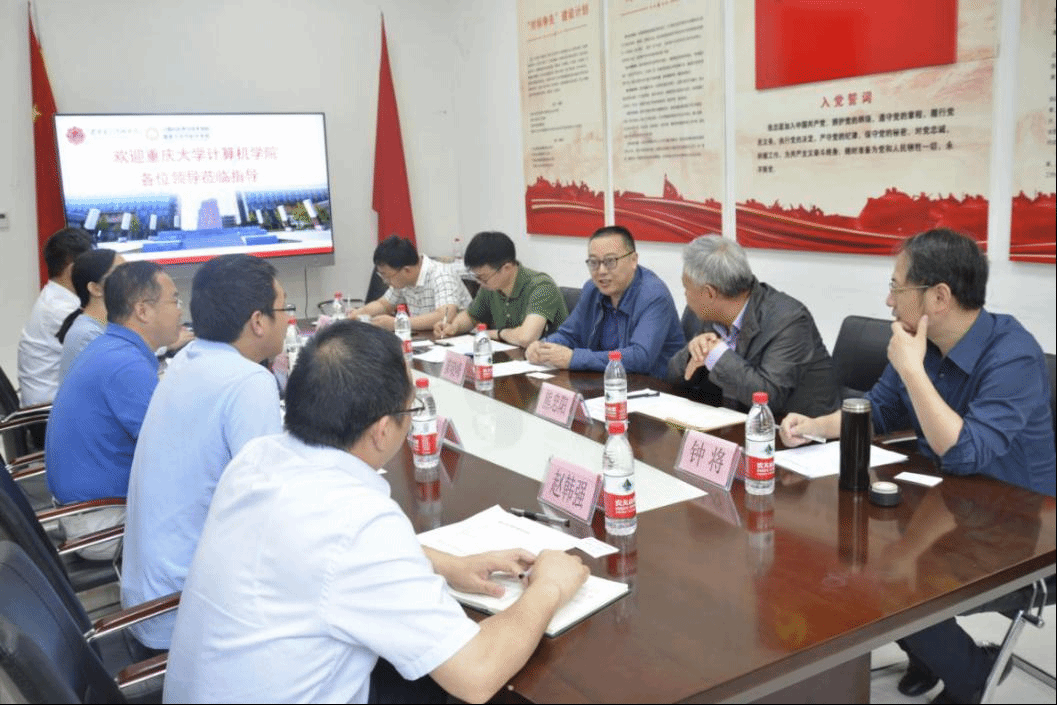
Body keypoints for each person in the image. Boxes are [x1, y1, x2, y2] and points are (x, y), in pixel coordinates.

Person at [164, 321, 589, 703]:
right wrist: (549, 587)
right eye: (411, 410)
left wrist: (449, 565)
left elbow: (320, 556)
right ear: (382, 430)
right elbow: (476, 674)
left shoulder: (257, 458)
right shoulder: (359, 520)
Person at [780, 228, 1056, 704]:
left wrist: (911, 369)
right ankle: (935, 657)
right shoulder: (920, 341)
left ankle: (970, 675)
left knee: (888, 573)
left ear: (939, 297)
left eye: (897, 287)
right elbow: (881, 410)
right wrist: (815, 426)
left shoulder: (1013, 355)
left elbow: (964, 452)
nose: (889, 301)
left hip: (1018, 532)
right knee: (849, 553)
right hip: (947, 505)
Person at [121, 254, 290, 654]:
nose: (288, 320)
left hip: (148, 597)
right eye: (284, 309)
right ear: (258, 321)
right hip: (185, 614)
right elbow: (272, 512)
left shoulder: (188, 359)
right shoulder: (248, 381)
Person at [44, 261, 184, 559]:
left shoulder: (111, 347)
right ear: (143, 311)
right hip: (103, 524)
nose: (180, 311)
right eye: (174, 301)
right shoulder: (125, 365)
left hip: (88, 511)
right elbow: (173, 454)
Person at [665, 235, 840, 417]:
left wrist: (717, 354)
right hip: (732, 423)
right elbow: (671, 378)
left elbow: (768, 397)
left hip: (796, 429)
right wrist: (692, 352)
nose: (685, 294)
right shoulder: (707, 315)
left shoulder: (789, 321)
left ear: (709, 293)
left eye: (686, 288)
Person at [526, 225, 684, 378]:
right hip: (606, 382)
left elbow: (639, 357)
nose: (601, 271)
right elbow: (570, 335)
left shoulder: (654, 295)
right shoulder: (592, 289)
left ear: (633, 260)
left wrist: (574, 358)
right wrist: (542, 346)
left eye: (610, 261)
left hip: (654, 386)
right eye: (594, 262)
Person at [433, 231, 567, 347]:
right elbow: (472, 316)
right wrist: (454, 327)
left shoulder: (541, 286)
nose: (480, 283)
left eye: (483, 278)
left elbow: (526, 338)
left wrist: (497, 333)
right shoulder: (490, 286)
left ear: (506, 268)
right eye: (476, 278)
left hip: (546, 362)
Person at [16, 227, 93, 407]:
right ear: (73, 269)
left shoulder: (54, 297)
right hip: (48, 412)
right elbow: (108, 350)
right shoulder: (62, 310)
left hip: (50, 403)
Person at [347, 235, 472, 331]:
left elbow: (445, 316)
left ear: (407, 270)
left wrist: (398, 323)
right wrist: (358, 313)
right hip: (428, 338)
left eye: (387, 276)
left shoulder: (442, 274)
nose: (385, 282)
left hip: (458, 340)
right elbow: (384, 304)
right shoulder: (402, 280)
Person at [57, 248, 125, 381]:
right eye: (120, 274)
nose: (132, 280)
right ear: (95, 288)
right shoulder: (88, 335)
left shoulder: (105, 326)